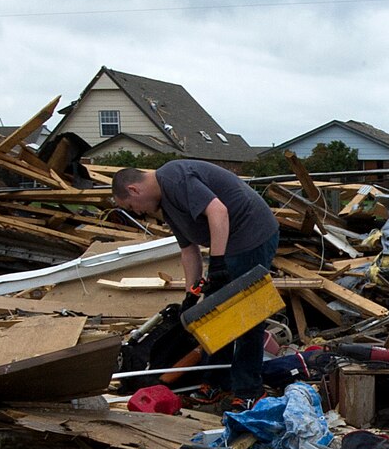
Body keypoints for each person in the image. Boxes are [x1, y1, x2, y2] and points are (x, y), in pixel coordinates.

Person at [113, 160, 281, 401]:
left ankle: (248, 390)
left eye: (131, 206)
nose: (137, 212)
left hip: (251, 235)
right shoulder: (166, 204)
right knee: (214, 315)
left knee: (246, 316)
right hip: (228, 246)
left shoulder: (174, 178)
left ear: (133, 190)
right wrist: (191, 294)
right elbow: (188, 250)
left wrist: (219, 262)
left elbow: (217, 211)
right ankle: (215, 382)